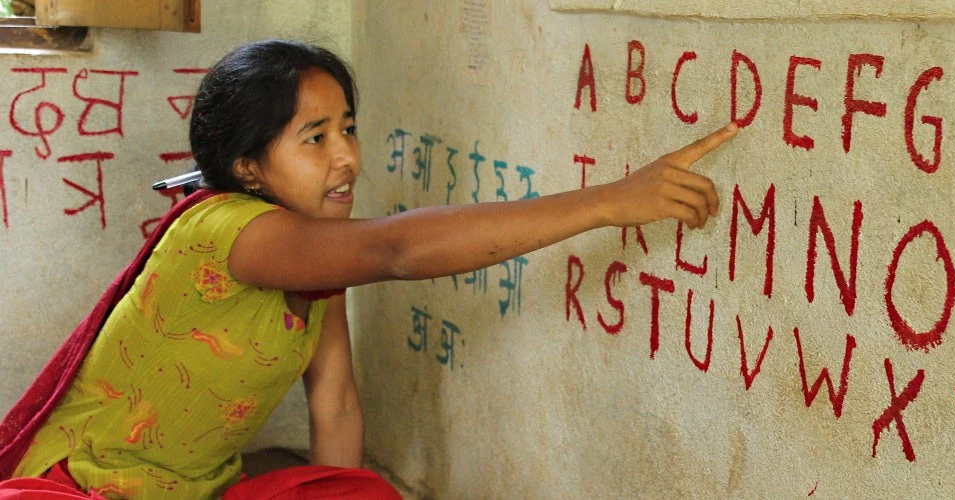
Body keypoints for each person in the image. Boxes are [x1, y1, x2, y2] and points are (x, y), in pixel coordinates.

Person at [0, 39, 738, 499]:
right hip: (81, 489)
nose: (347, 156)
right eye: (314, 138)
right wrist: (609, 201)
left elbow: (338, 407)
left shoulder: (317, 254)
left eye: (347, 127)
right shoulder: (230, 231)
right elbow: (398, 249)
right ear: (247, 167)